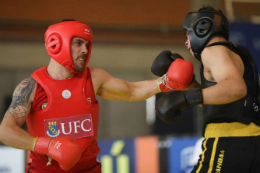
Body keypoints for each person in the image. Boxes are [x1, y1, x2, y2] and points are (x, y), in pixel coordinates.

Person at [0, 19, 194, 173]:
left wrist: (166, 82)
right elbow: (6, 131)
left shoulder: (93, 78)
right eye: (78, 43)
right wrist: (46, 145)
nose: (85, 50)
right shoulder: (31, 86)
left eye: (87, 44)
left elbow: (132, 90)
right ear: (55, 43)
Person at [155, 6, 260, 173]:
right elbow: (224, 104)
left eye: (188, 34)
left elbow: (236, 88)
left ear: (201, 28)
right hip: (251, 142)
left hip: (228, 142)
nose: (186, 42)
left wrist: (186, 97)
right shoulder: (237, 53)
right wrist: (190, 83)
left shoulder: (211, 51)